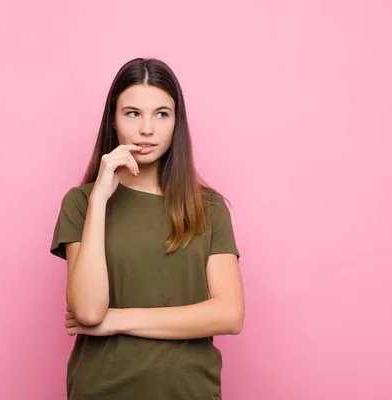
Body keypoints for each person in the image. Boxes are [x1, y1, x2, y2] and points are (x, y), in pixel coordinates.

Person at [50, 57, 245, 400]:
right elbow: (88, 311)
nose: (146, 130)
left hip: (190, 392)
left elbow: (230, 314)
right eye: (132, 113)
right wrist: (99, 200)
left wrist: (117, 321)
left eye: (161, 114)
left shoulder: (210, 208)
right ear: (113, 119)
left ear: (176, 122)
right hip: (102, 390)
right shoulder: (81, 203)